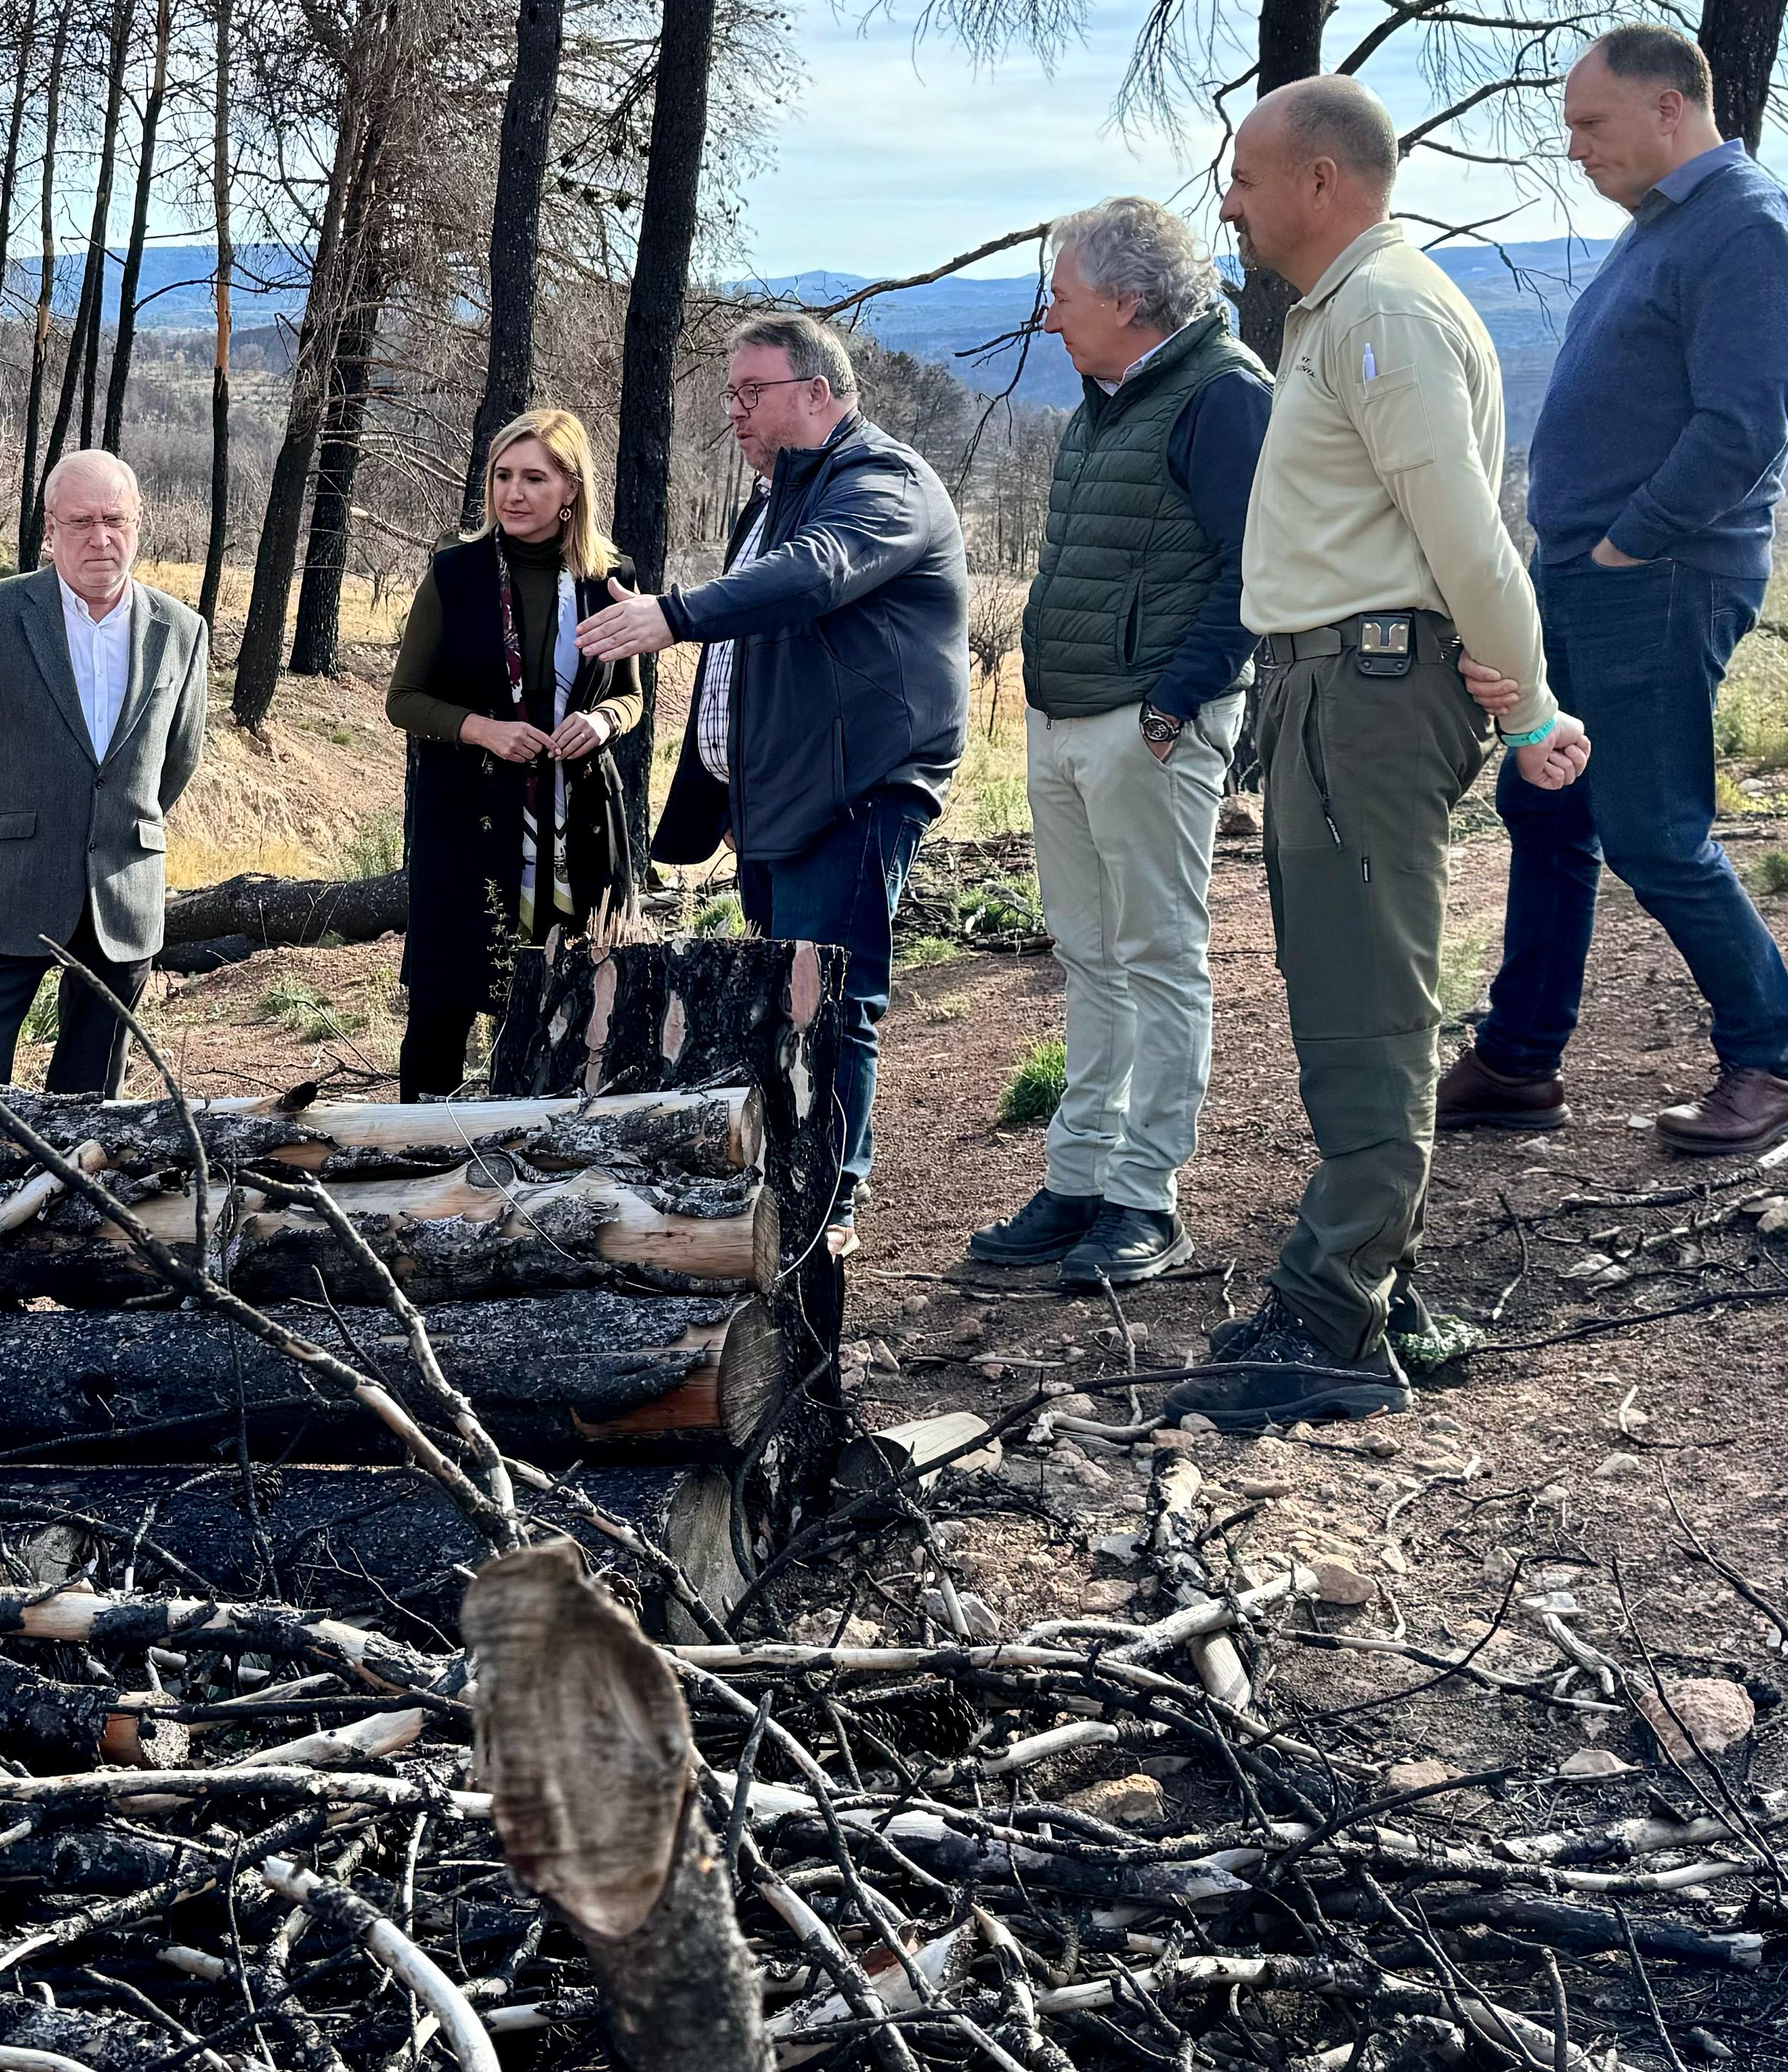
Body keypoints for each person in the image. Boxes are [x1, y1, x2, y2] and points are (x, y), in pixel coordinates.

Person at [1172, 77, 1593, 1430]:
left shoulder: (1387, 316)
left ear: (1319, 182)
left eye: (1244, 174)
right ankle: (1375, 1281)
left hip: (1364, 691)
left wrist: (1528, 706)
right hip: (1329, 686)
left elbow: (1469, 535)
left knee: (1366, 1004)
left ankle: (1330, 1315)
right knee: (1345, 992)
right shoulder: (1341, 314)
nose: (1226, 200)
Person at [1442, 24, 1788, 1156]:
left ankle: (1773, 1063)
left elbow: (1742, 428)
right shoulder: (1662, 225)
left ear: (1669, 108)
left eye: (1589, 124)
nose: (1571, 148)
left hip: (1656, 576)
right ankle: (1516, 1062)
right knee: (1544, 805)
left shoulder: (1748, 226)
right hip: (1587, 571)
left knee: (1653, 830)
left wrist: (1624, 545)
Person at [582, 312, 969, 1257]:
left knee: (833, 1000)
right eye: (730, 394)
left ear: (819, 392)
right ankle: (792, 1182)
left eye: (753, 394)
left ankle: (829, 1206)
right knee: (784, 996)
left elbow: (815, 576)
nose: (737, 413)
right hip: (778, 799)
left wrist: (674, 615)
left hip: (856, 790)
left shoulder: (882, 482)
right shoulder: (770, 500)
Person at [966, 198, 1272, 1290]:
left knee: (1155, 959)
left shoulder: (1222, 396)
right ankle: (1079, 1178)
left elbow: (1258, 569)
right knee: (1088, 955)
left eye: (1062, 295)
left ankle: (1145, 1196)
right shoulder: (1110, 399)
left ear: (1128, 302)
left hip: (1148, 724)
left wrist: (1174, 701)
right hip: (1067, 715)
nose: (1050, 318)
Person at [0, 450, 209, 1097]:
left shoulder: (182, 630)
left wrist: (115, 820)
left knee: (90, 1103)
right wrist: (6, 820)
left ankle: (63, 1198)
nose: (100, 537)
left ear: (139, 524)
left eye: (115, 519)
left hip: (121, 887)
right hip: (3, 885)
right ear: (48, 531)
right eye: (80, 521)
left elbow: (179, 757)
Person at [385, 407, 644, 1099]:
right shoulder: (455, 575)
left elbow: (630, 697)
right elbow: (403, 699)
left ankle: (549, 1169)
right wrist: (483, 729)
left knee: (570, 1003)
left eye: (534, 477)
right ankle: (414, 1169)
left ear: (571, 490)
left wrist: (600, 722)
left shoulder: (607, 579)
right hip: (466, 824)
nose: (513, 493)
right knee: (443, 1007)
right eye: (502, 475)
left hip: (578, 825)